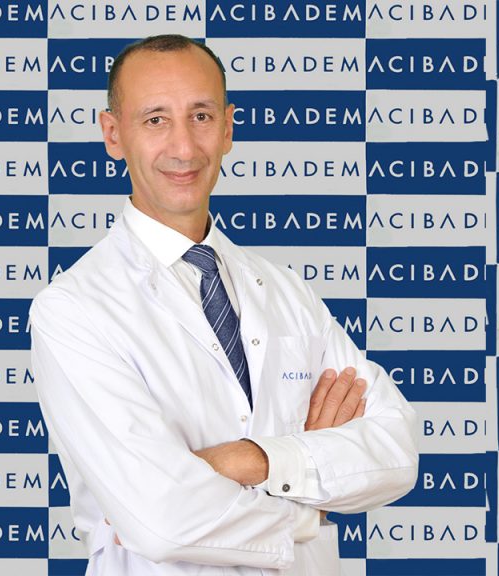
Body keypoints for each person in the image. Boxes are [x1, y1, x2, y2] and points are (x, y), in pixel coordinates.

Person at [28, 34, 419, 575]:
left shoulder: (288, 292)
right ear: (113, 134)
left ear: (229, 127)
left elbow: (396, 452)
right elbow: (161, 520)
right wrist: (309, 504)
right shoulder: (74, 310)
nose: (185, 147)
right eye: (155, 120)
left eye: (201, 116)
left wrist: (251, 459)